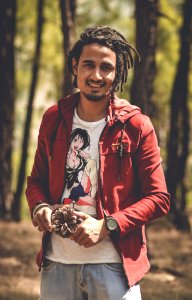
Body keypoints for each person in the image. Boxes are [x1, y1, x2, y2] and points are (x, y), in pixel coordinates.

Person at [26, 25, 170, 300]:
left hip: (114, 267)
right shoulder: (53, 118)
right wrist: (40, 207)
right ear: (75, 66)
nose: (96, 75)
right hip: (56, 265)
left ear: (116, 74)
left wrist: (107, 226)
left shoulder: (137, 125)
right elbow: (36, 181)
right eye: (88, 65)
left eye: (106, 67)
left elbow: (159, 197)